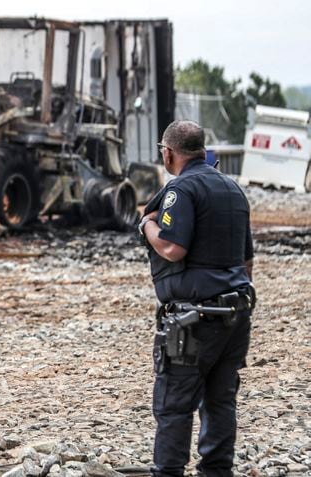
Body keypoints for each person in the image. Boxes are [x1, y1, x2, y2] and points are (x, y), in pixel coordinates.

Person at [139, 120, 255, 477]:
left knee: (174, 403)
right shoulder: (233, 190)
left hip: (195, 319)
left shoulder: (181, 189)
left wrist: (148, 226)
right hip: (236, 316)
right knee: (220, 400)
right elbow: (247, 262)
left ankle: (169, 471)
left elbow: (173, 248)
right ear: (203, 150)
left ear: (168, 153)